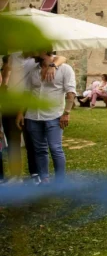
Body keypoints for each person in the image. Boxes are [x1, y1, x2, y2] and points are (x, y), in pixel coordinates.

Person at [1, 53, 65, 182]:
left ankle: (35, 174)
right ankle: (16, 175)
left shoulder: (35, 58)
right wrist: (6, 75)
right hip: (11, 103)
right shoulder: (11, 57)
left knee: (32, 143)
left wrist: (53, 66)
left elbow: (62, 58)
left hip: (28, 104)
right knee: (13, 142)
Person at [16, 50, 76, 183]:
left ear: (43, 50)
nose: (31, 55)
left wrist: (66, 113)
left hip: (54, 115)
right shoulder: (33, 70)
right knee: (39, 149)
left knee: (55, 148)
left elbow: (71, 92)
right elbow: (27, 93)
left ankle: (60, 182)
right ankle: (45, 179)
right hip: (32, 116)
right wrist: (21, 113)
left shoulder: (65, 69)